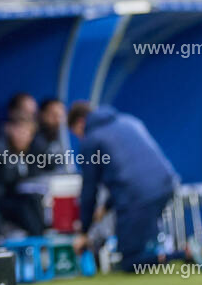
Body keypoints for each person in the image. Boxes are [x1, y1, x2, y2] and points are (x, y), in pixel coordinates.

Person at [69, 102, 195, 273]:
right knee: (143, 242)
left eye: (76, 133)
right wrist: (105, 208)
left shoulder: (91, 140)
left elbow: (89, 190)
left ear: (80, 123)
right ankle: (164, 250)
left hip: (137, 197)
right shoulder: (128, 121)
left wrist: (84, 231)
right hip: (166, 185)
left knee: (131, 261)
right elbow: (130, 175)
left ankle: (182, 254)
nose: (80, 138)